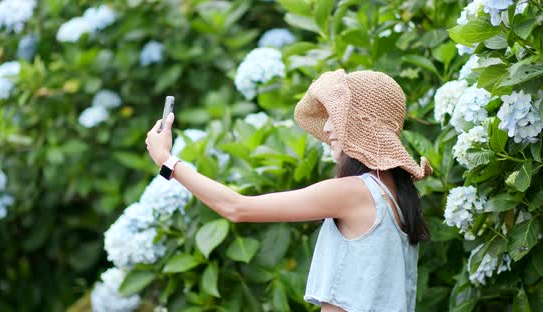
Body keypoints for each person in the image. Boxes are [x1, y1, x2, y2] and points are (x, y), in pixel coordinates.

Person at [145, 69, 433, 312]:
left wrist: (167, 161)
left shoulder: (354, 193)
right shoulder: (395, 195)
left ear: (358, 128)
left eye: (338, 117)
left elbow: (237, 208)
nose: (329, 127)